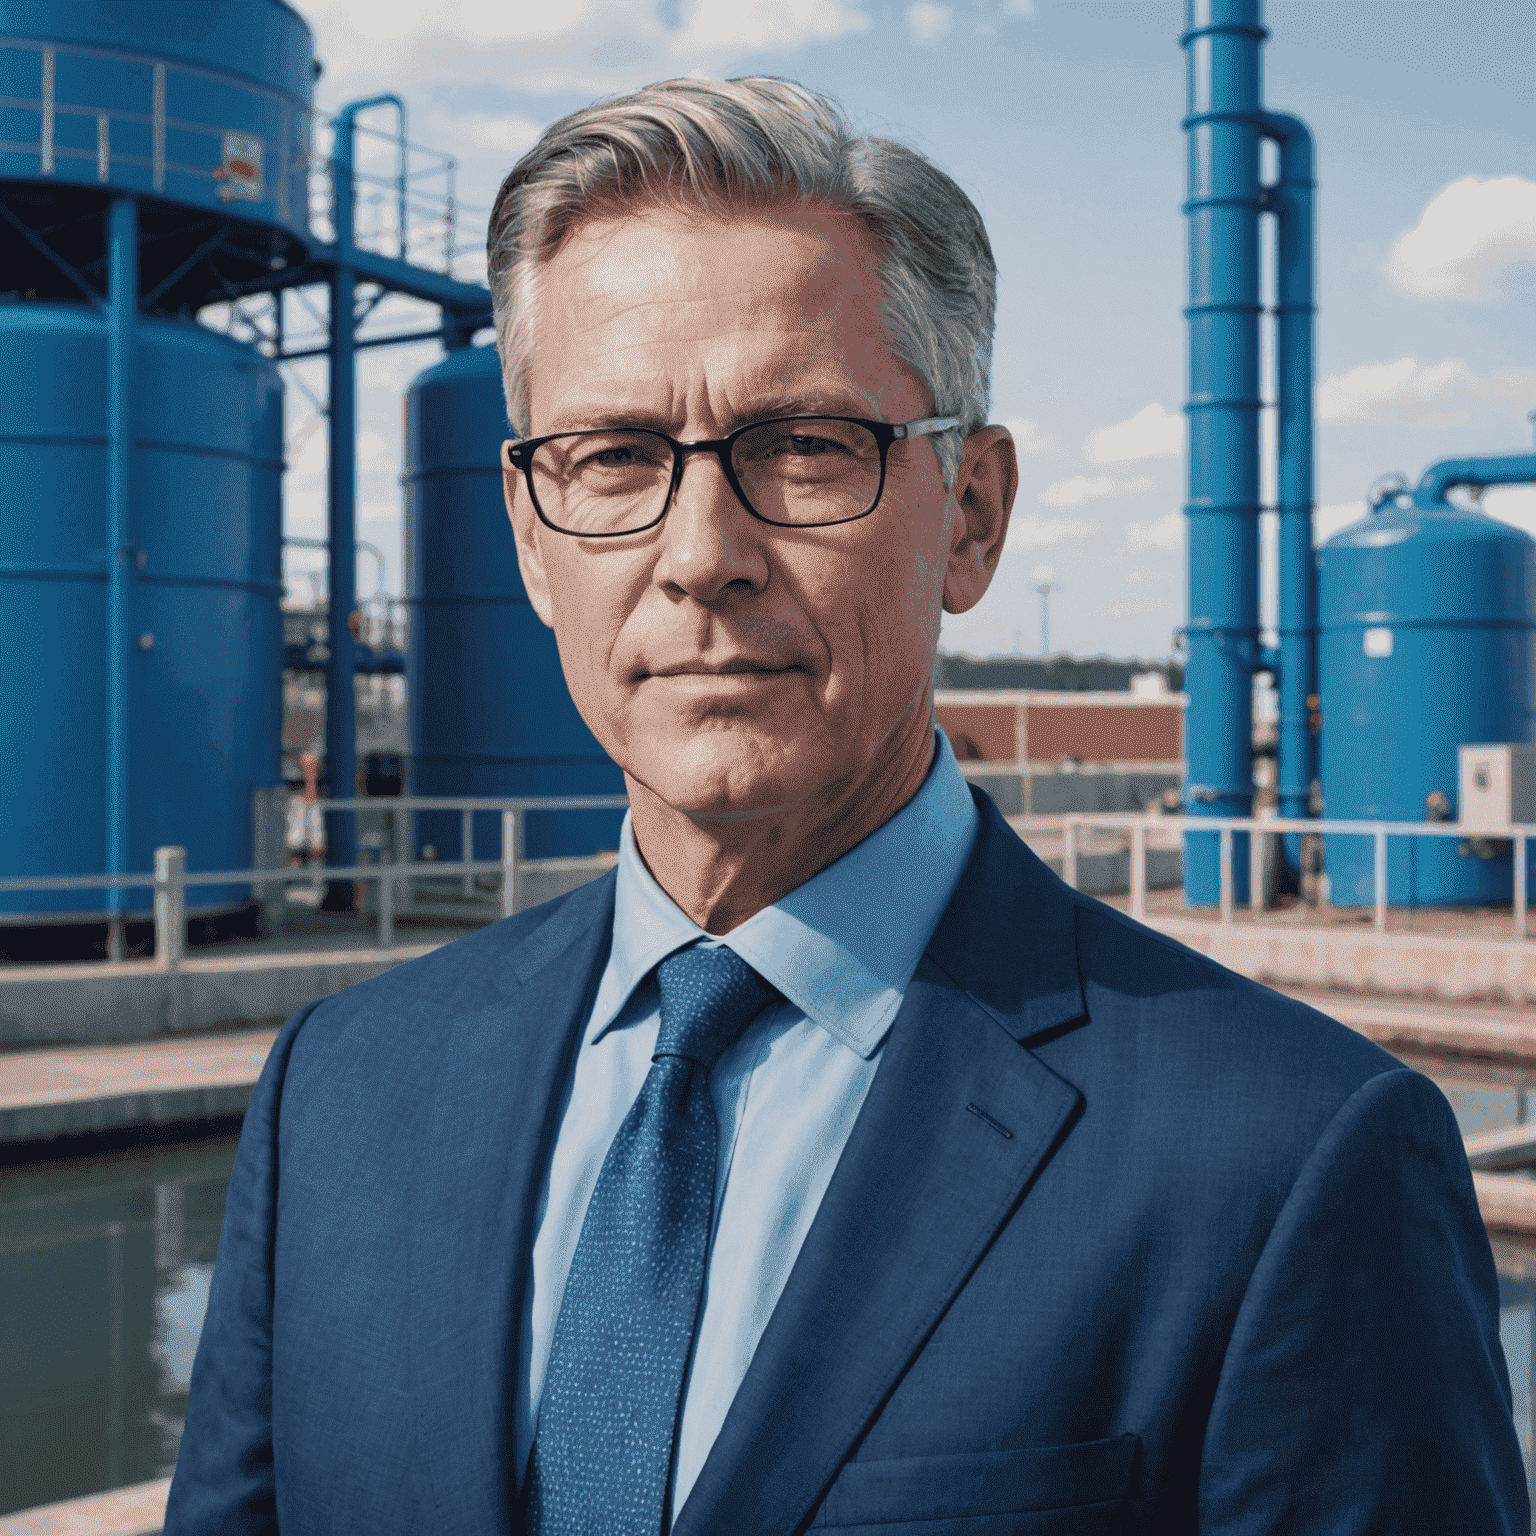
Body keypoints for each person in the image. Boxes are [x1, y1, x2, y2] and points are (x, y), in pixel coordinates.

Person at [165, 78, 1527, 1534]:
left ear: (974, 515)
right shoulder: (341, 1096)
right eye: (615, 456)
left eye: (804, 446)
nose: (701, 554)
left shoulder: (1287, 1161)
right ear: (530, 537)